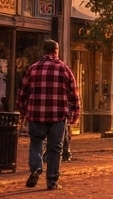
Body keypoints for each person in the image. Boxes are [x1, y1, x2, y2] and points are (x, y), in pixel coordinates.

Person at [16, 39, 81, 191]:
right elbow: (74, 93)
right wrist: (74, 113)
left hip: (36, 113)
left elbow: (22, 93)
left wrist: (23, 111)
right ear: (56, 51)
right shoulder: (64, 69)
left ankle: (36, 167)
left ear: (43, 51)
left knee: (36, 142)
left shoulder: (32, 69)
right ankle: (52, 181)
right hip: (58, 115)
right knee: (55, 147)